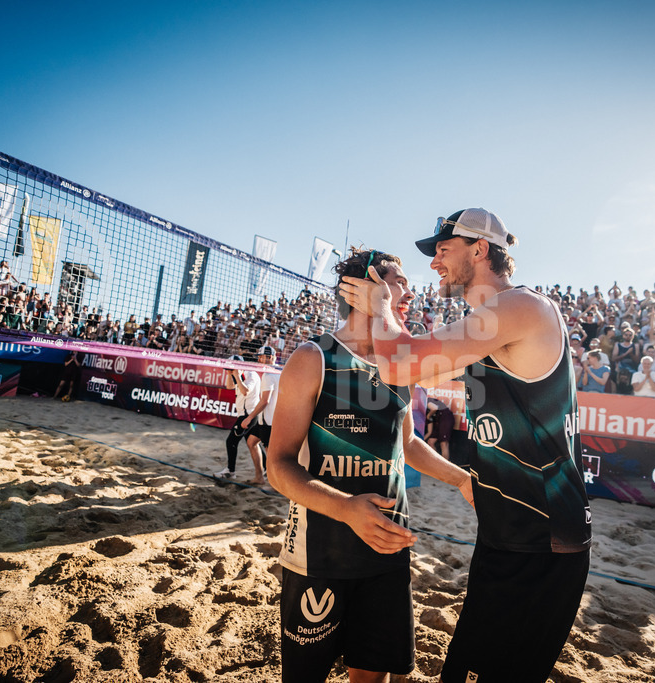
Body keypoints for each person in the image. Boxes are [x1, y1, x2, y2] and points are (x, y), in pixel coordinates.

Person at [339, 208, 592, 683]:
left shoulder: (519, 308)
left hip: (539, 541)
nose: (434, 262)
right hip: (511, 533)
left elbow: (398, 364)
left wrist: (382, 306)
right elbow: (409, 372)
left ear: (480, 249)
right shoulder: (489, 326)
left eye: (442, 249)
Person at [267, 248, 473, 683]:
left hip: (387, 547)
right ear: (363, 289)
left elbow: (408, 444)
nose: (410, 291)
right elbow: (279, 466)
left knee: (373, 676)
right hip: (319, 551)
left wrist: (460, 479)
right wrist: (345, 508)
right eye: (398, 280)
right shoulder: (314, 358)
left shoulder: (400, 362)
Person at [214, 355, 263, 484]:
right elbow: (229, 386)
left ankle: (230, 471)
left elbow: (245, 391)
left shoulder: (251, 374)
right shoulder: (240, 375)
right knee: (253, 444)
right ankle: (263, 472)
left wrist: (236, 375)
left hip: (248, 415)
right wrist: (230, 374)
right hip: (246, 414)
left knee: (231, 441)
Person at [242, 345, 279, 477]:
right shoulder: (280, 371)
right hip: (269, 419)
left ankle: (274, 485)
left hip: (268, 421)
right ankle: (259, 477)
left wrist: (250, 417)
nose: (259, 360)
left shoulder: (269, 375)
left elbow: (265, 401)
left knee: (271, 455)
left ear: (269, 358)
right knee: (251, 442)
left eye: (261, 357)